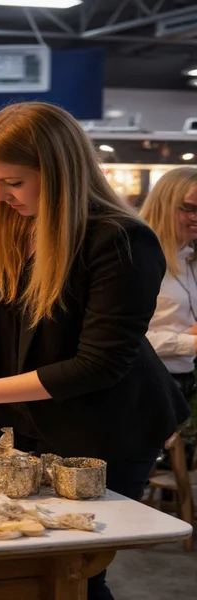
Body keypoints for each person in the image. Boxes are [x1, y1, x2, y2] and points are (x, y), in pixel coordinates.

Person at [0, 102, 189, 600]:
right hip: (31, 417)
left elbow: (98, 364)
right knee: (29, 563)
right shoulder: (7, 225)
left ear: (60, 171)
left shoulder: (121, 240)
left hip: (107, 426)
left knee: (76, 569)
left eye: (13, 182)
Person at [141, 167, 197, 466]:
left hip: (184, 381)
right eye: (189, 208)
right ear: (165, 203)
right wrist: (187, 343)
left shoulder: (190, 257)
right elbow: (128, 339)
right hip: (151, 385)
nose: (195, 216)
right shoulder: (142, 259)